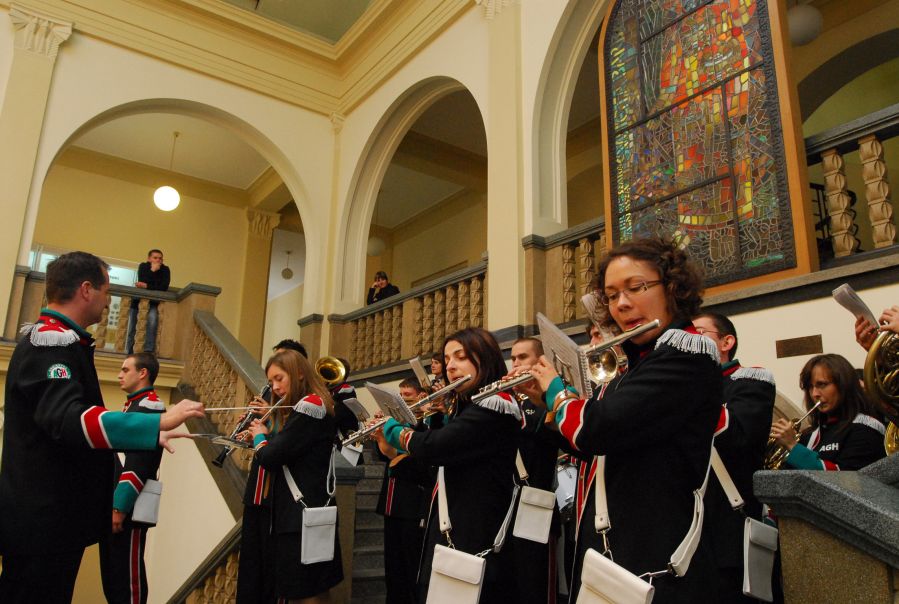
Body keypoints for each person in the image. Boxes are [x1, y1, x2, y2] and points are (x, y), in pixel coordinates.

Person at [0, 251, 203, 603]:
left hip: (52, 521)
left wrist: (152, 431)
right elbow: (69, 419)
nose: (109, 301)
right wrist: (156, 420)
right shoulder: (51, 344)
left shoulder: (62, 341)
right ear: (86, 290)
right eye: (107, 291)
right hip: (43, 522)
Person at [530, 237, 722, 603]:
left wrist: (557, 390)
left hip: (652, 556)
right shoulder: (636, 364)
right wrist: (547, 406)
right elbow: (595, 452)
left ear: (672, 288)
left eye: (636, 288)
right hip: (614, 550)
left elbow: (599, 428)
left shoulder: (686, 353)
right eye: (612, 294)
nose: (623, 304)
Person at [382, 327, 521, 602]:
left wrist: (395, 430)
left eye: (461, 356)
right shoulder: (467, 407)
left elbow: (435, 447)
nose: (451, 366)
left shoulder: (495, 404)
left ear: (485, 358)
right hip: (452, 524)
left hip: (474, 531)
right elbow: (435, 464)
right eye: (447, 360)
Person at [237, 349, 343, 604]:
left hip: (298, 514)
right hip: (308, 510)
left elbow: (272, 457)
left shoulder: (309, 406)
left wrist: (260, 435)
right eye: (271, 381)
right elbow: (292, 446)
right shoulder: (310, 405)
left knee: (301, 590)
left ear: (298, 374)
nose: (274, 387)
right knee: (315, 585)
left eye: (279, 379)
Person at [693, 312, 775, 603]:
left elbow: (740, 437)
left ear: (727, 341)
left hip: (727, 523)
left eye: (700, 333)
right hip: (686, 525)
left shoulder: (750, 380)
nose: (691, 340)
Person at [101, 352, 167, 604]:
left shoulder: (150, 407)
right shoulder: (134, 405)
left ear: (143, 373)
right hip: (118, 504)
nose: (119, 374)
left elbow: (138, 464)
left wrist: (119, 506)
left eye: (125, 369)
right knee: (113, 576)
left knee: (128, 580)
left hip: (130, 507)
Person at [508, 336, 567, 604]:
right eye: (513, 358)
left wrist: (535, 395)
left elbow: (542, 434)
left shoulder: (546, 401)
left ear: (540, 362)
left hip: (536, 507)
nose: (516, 363)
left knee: (537, 589)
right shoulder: (506, 401)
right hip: (505, 510)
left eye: (523, 357)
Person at [372, 378, 434, 604]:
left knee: (410, 569)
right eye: (400, 396)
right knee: (393, 568)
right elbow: (385, 458)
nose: (403, 402)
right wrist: (379, 437)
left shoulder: (424, 424)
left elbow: (421, 468)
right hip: (391, 503)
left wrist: (391, 454)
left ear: (419, 396)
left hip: (413, 505)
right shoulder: (399, 422)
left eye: (407, 397)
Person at [769, 353, 885, 471]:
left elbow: (845, 480)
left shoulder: (865, 428)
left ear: (843, 385)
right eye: (810, 387)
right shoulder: (809, 435)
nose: (815, 394)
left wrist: (793, 446)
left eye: (822, 385)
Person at [126, 249, 171, 354]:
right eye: (155, 258)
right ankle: (130, 349)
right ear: (149, 258)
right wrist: (152, 271)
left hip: (153, 303)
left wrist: (147, 286)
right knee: (133, 325)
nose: (158, 260)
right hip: (137, 302)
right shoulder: (143, 266)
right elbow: (142, 279)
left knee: (152, 321)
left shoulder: (165, 270)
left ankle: (148, 350)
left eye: (160, 258)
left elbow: (163, 287)